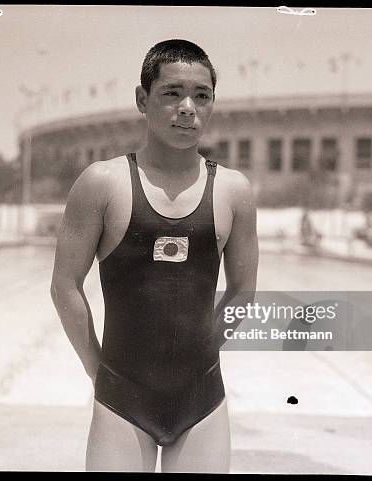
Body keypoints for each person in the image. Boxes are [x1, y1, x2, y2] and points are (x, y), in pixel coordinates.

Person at [51, 39, 258, 473]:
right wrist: (98, 371)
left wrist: (199, 355)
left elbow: (242, 292)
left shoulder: (233, 190)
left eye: (202, 96)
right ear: (142, 99)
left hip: (202, 402)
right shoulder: (103, 183)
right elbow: (64, 286)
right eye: (172, 93)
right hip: (120, 401)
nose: (188, 108)